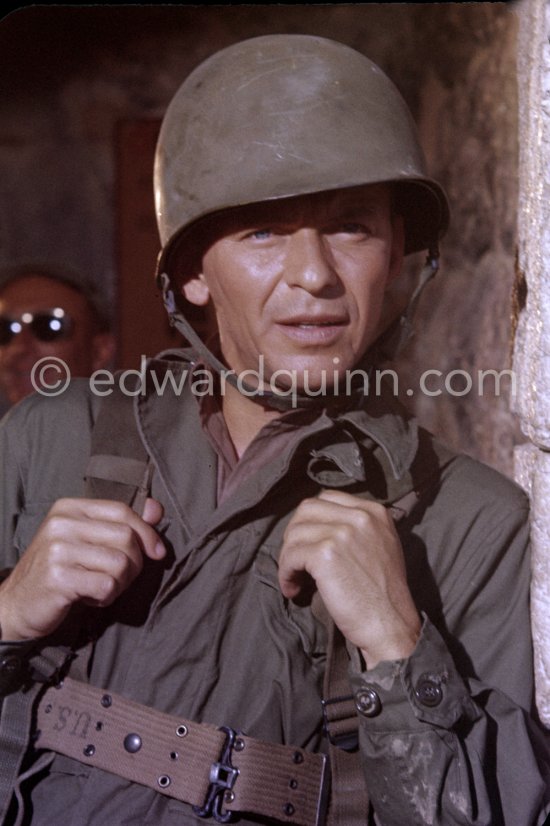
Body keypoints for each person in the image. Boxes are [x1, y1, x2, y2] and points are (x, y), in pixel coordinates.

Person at [0, 34, 548, 826]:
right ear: (191, 273)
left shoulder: (473, 521)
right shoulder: (49, 436)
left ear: (396, 253)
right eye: (262, 231)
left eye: (351, 227)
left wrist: (398, 646)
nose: (315, 275)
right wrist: (11, 613)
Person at [0, 262, 115, 408]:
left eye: (47, 327)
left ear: (100, 351)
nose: (18, 348)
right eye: (4, 329)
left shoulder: (130, 429)